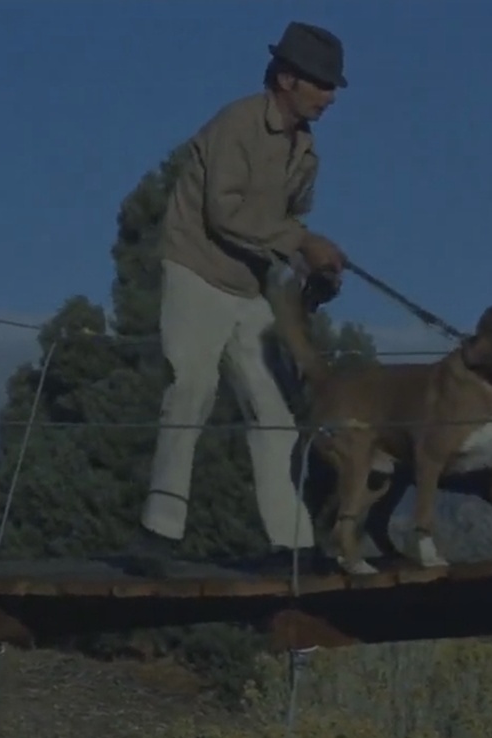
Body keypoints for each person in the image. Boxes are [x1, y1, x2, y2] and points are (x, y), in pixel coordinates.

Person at [126, 21, 349, 578]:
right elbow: (224, 213)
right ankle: (158, 532)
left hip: (250, 287)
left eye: (333, 86)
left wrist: (314, 274)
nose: (330, 97)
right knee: (191, 391)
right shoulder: (237, 124)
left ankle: (291, 545)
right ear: (287, 79)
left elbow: (288, 226)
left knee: (275, 412)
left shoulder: (307, 151)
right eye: (322, 84)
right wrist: (301, 243)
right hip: (194, 273)